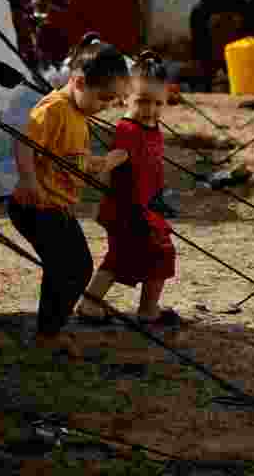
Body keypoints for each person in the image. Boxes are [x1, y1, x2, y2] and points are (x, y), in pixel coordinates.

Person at [8, 40, 130, 354]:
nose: (106, 106)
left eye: (113, 100)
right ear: (78, 82)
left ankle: (51, 329)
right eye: (104, 98)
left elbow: (71, 158)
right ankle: (47, 334)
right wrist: (29, 180)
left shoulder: (77, 112)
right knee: (68, 268)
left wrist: (105, 163)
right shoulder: (54, 109)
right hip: (35, 206)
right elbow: (23, 142)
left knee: (77, 267)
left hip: (57, 206)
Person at [75, 51, 181, 330]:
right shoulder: (128, 129)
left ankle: (139, 307)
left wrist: (159, 194)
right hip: (127, 209)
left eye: (158, 103)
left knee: (132, 257)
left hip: (145, 206)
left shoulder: (153, 127)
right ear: (126, 98)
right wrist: (103, 163)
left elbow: (150, 164)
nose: (150, 109)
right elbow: (120, 154)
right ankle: (130, 309)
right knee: (146, 255)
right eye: (142, 101)